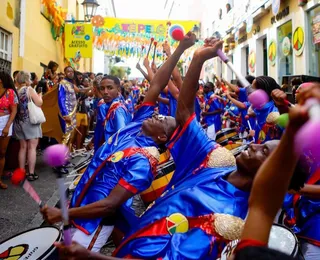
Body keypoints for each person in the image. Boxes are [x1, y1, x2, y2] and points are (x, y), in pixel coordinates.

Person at [40, 33, 196, 252]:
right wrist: (179, 49)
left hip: (92, 225)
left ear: (162, 137)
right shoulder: (137, 124)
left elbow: (110, 205)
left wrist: (64, 213)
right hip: (78, 208)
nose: (157, 115)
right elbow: (157, 83)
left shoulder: (144, 161)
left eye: (163, 120)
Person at [232, 88, 313, 260]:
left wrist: (287, 186)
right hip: (298, 213)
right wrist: (283, 107)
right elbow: (291, 134)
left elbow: (261, 209)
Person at [14, 71, 43, 181]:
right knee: (32, 147)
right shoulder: (29, 89)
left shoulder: (16, 91)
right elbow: (39, 103)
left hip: (18, 122)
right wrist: (40, 96)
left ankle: (21, 171)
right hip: (30, 121)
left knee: (22, 147)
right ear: (27, 79)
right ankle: (31, 173)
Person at [248, 76, 283, 144]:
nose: (249, 92)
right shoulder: (259, 110)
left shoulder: (275, 113)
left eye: (253, 89)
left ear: (262, 92)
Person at [100, 75, 131, 144]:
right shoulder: (110, 106)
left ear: (118, 90)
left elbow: (121, 138)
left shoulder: (117, 110)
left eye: (110, 88)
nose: (105, 92)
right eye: (102, 88)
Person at [0, 71, 18, 189]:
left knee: (1, 153)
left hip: (5, 122)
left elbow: (14, 111)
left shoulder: (10, 92)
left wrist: (7, 126)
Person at [58, 67, 77, 153]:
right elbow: (61, 99)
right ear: (65, 73)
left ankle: (66, 159)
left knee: (71, 136)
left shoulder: (71, 83)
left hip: (73, 114)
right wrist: (65, 114)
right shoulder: (62, 83)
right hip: (67, 114)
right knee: (66, 137)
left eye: (72, 71)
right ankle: (60, 161)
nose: (70, 73)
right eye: (68, 71)